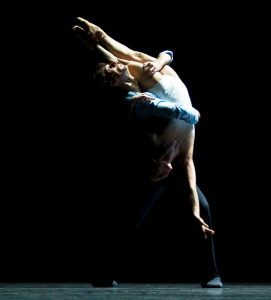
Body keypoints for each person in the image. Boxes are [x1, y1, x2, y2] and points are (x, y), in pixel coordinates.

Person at [72, 17, 222, 288]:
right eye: (114, 71)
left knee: (203, 209)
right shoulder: (140, 103)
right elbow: (177, 117)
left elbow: (134, 56)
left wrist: (99, 40)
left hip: (171, 159)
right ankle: (106, 270)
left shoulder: (153, 77)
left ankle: (211, 273)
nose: (121, 66)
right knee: (133, 215)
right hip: (158, 167)